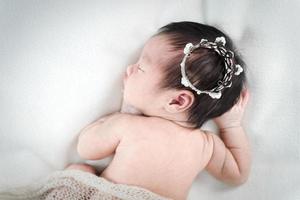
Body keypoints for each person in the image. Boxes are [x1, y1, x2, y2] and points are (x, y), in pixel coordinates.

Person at [67, 21, 251, 200]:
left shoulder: (130, 125)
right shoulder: (207, 145)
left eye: (140, 67)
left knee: (79, 172)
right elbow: (238, 175)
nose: (130, 68)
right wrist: (231, 126)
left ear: (177, 101)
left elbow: (86, 149)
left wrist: (121, 115)